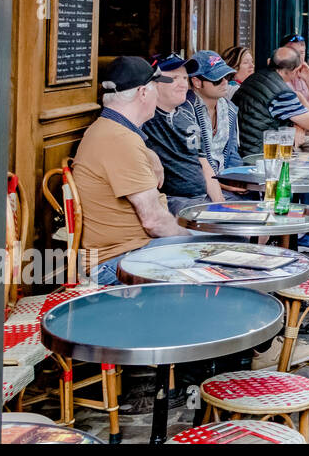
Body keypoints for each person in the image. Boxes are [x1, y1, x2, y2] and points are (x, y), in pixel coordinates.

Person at [75, 56, 191, 284]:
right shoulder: (119, 140)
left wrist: (150, 153)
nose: (158, 93)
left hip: (131, 253)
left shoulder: (111, 131)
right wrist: (191, 242)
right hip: (119, 263)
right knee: (218, 254)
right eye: (156, 86)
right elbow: (154, 221)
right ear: (143, 93)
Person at [231, 46, 309, 253]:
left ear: (270, 63)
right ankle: (304, 235)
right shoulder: (281, 92)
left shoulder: (256, 80)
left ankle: (296, 233)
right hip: (262, 157)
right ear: (295, 71)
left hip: (246, 149)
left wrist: (296, 124)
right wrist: (302, 98)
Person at [142, 52, 223, 213]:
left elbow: (204, 163)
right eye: (173, 78)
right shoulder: (143, 114)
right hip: (173, 200)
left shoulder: (187, 110)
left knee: (261, 223)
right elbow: (123, 137)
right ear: (154, 82)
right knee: (242, 232)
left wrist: (221, 204)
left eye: (185, 78)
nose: (183, 85)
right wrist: (148, 153)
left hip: (202, 197)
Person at [189, 50, 243, 182]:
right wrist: (220, 186)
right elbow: (191, 161)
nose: (225, 82)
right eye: (217, 79)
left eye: (227, 77)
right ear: (196, 82)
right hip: (199, 187)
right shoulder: (186, 112)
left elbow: (232, 154)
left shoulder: (229, 109)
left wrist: (236, 180)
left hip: (226, 181)